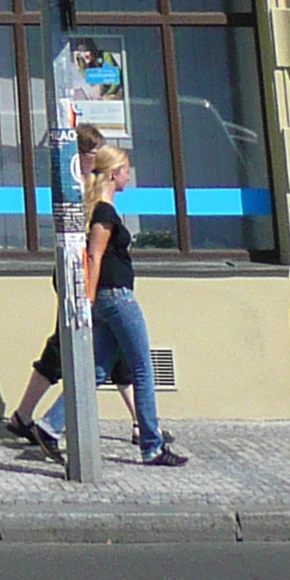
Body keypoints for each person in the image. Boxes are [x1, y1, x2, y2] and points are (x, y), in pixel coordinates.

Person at [26, 144, 188, 470]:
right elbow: (94, 257)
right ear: (114, 174)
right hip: (115, 299)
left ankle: (49, 426)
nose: (129, 175)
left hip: (107, 299)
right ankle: (152, 446)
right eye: (126, 170)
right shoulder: (104, 212)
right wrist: (87, 299)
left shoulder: (102, 209)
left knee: (97, 371)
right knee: (142, 369)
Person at [4, 124, 137, 456]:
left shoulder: (92, 185)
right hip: (79, 275)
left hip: (91, 276)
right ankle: (28, 418)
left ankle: (141, 423)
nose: (99, 160)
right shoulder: (76, 186)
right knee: (69, 346)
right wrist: (87, 291)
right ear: (79, 155)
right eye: (93, 154)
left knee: (105, 347)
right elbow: (86, 242)